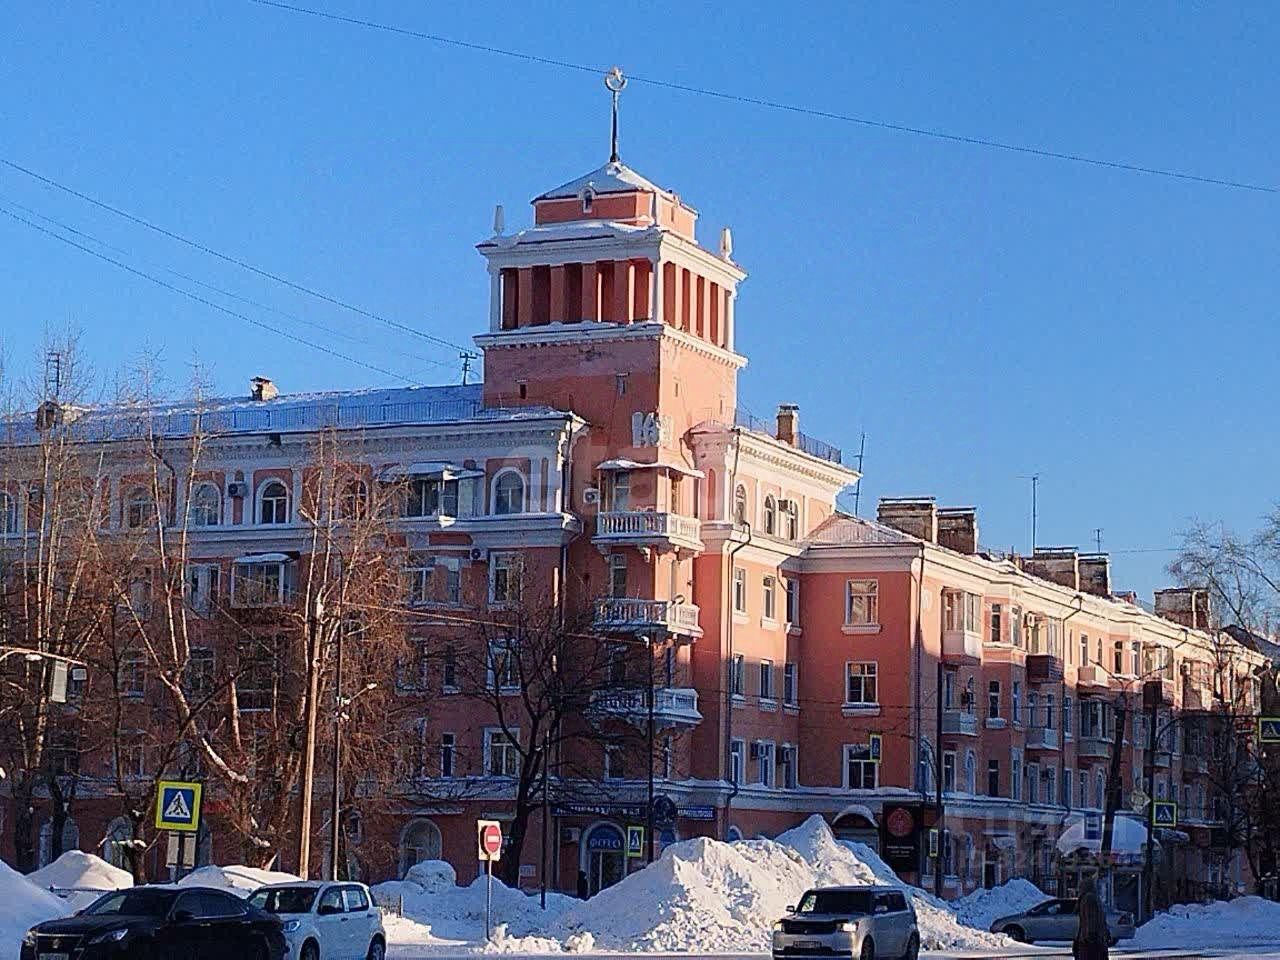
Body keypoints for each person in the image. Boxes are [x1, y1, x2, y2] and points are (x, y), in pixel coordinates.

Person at [1074, 876, 1110, 960]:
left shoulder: (1088, 898)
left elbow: (1090, 918)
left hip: (1090, 940)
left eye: (1080, 887)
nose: (1079, 889)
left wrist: (1090, 935)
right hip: (1096, 939)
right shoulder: (1094, 898)